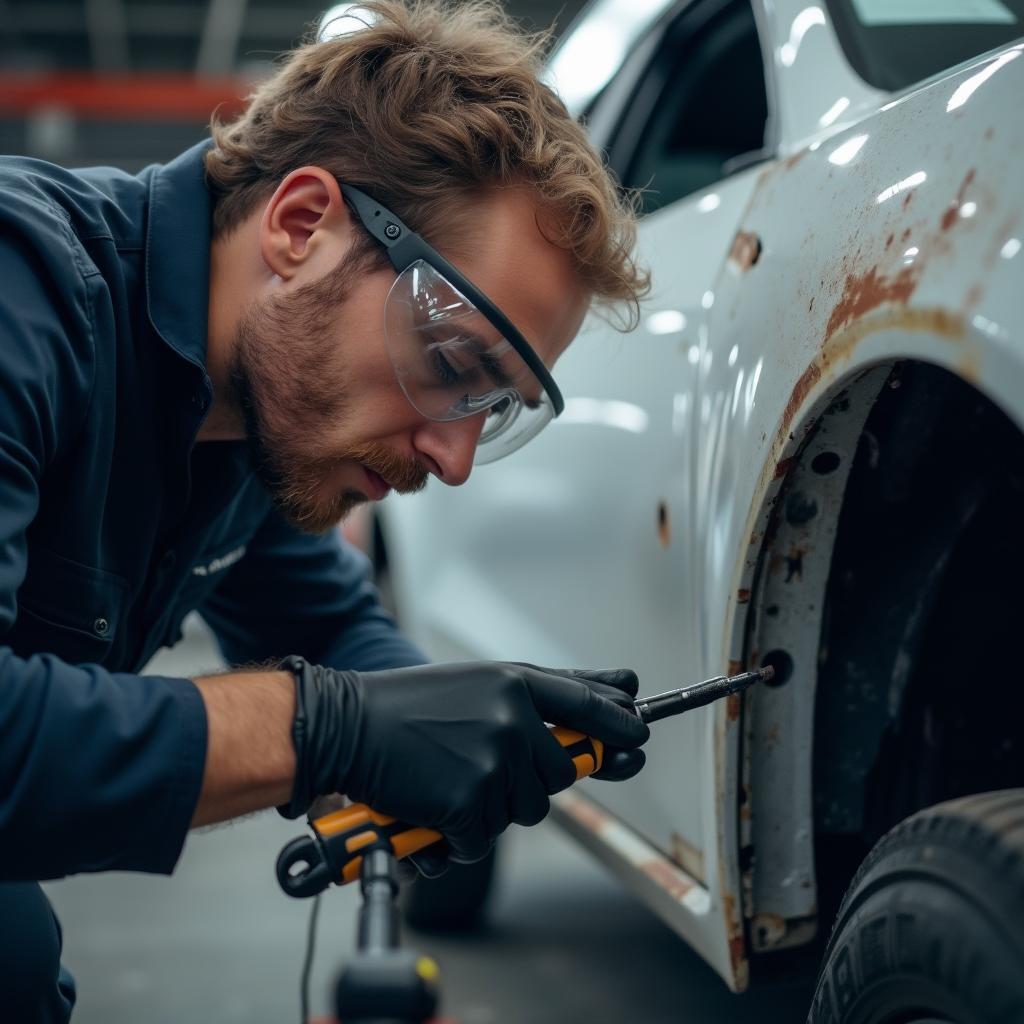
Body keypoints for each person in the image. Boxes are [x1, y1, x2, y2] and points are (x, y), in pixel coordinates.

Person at [0, 0, 650, 1019]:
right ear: (302, 227)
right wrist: (334, 728)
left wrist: (461, 723)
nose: (455, 455)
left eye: (495, 410)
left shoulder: (244, 425)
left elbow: (331, 627)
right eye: (450, 363)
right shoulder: (22, 290)